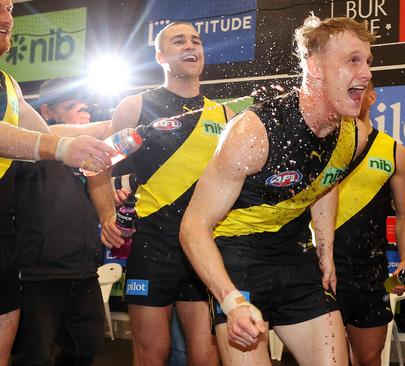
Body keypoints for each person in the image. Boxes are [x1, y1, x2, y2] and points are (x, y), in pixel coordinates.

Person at [179, 15, 373, 366]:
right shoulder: (253, 132)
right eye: (353, 60)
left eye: (368, 62)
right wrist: (231, 301)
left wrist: (325, 250)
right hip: (237, 259)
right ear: (314, 67)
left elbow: (325, 182)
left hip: (295, 256)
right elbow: (193, 228)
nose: (367, 73)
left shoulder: (355, 135)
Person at [88, 22, 232, 366]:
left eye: (196, 41)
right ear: (160, 55)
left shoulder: (224, 115)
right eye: (178, 41)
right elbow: (98, 163)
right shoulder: (135, 106)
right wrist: (107, 214)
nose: (190, 46)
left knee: (206, 354)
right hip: (153, 247)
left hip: (204, 248)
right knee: (151, 354)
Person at [0, 1, 114, 364]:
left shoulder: (8, 83)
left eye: (11, 9)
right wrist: (62, 146)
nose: (6, 19)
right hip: (36, 262)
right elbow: (49, 140)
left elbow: (43, 133)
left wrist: (122, 125)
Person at [10, 77, 106, 366]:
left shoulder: (88, 158)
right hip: (40, 272)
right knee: (35, 356)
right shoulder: (38, 137)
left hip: (84, 269)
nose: (83, 110)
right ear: (48, 111)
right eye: (71, 105)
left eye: (85, 105)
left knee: (86, 349)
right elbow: (91, 130)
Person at [331, 82, 405, 366]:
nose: (353, 93)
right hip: (322, 271)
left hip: (370, 273)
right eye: (347, 87)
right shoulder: (319, 145)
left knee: (369, 359)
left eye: (360, 88)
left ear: (371, 96)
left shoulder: (395, 152)